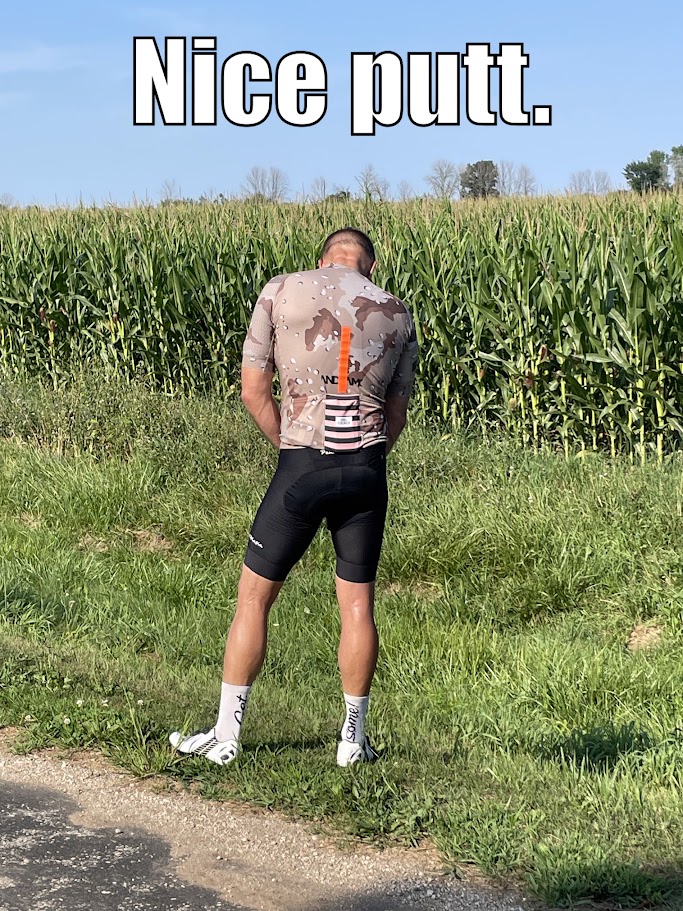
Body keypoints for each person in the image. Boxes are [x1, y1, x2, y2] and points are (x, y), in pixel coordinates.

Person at [170, 227, 418, 766]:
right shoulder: (397, 311)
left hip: (303, 462)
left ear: (324, 259)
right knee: (358, 607)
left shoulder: (281, 289)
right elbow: (396, 415)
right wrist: (364, 458)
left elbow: (252, 389)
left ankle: (226, 736)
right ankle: (352, 742)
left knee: (254, 599)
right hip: (367, 470)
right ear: (369, 266)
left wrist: (290, 448)